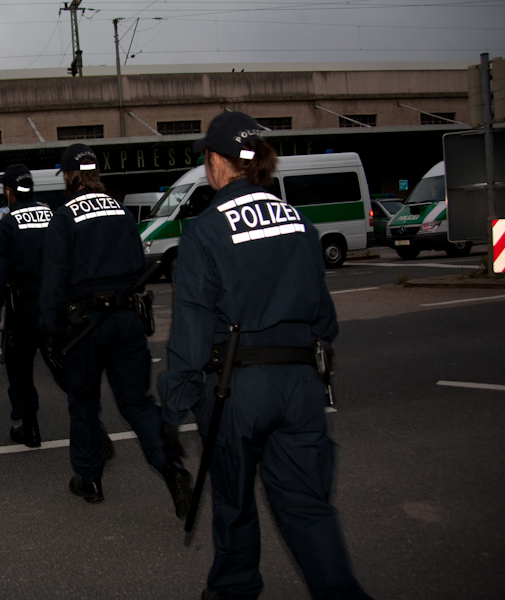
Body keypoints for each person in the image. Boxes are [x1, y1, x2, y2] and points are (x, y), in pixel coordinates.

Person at [158, 112, 372, 600]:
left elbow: (191, 333)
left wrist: (173, 405)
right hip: (300, 384)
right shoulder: (299, 222)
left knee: (233, 506)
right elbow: (324, 319)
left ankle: (233, 590)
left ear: (218, 162)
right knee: (309, 508)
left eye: (207, 159)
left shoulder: (206, 231)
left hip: (236, 389)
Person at [39, 143, 193, 516]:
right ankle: (170, 469)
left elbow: (54, 282)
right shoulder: (121, 211)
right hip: (126, 318)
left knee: (83, 403)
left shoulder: (64, 216)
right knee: (137, 403)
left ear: (68, 176)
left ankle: (89, 479)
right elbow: (138, 265)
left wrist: (51, 335)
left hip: (85, 325)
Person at [0, 164, 67, 447]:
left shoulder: (7, 225)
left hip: (23, 310)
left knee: (19, 366)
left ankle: (29, 427)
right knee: (61, 363)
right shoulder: (53, 216)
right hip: (56, 306)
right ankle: (90, 417)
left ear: (9, 191)